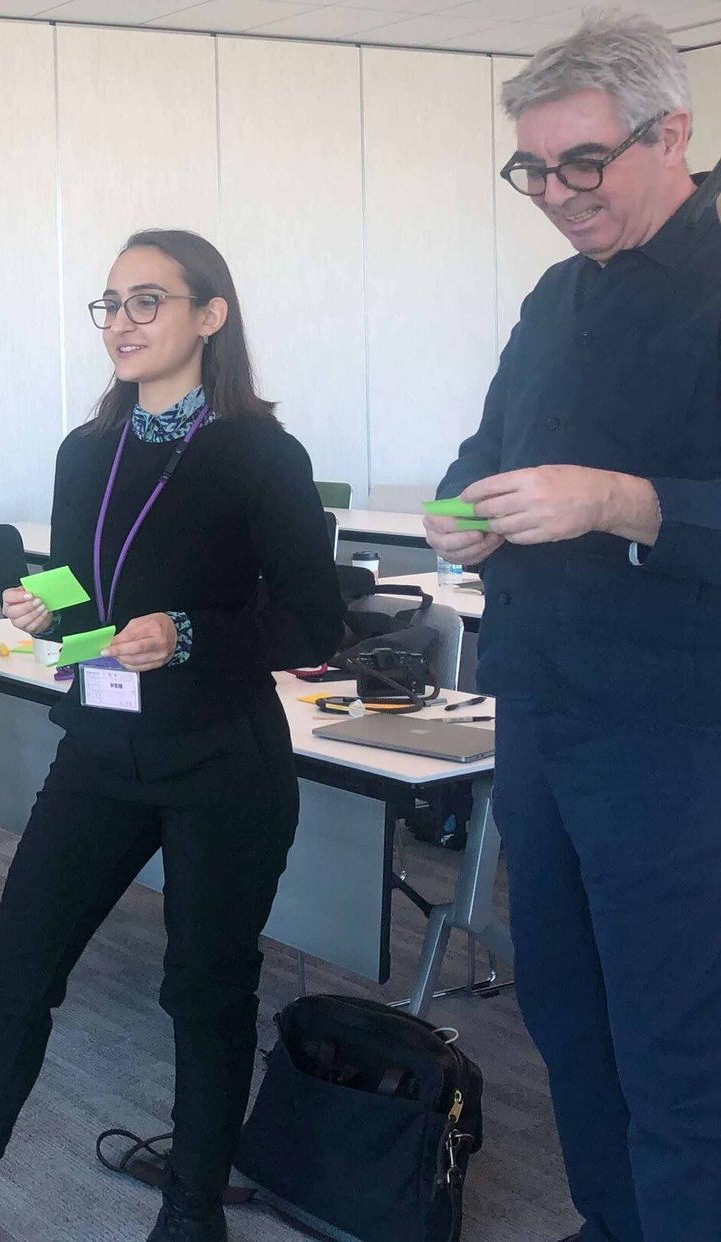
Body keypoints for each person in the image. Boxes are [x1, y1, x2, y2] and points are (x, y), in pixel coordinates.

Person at [0, 230, 342, 1242]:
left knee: (205, 992)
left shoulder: (260, 453)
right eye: (110, 303)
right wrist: (48, 611)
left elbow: (315, 623)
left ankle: (191, 1217)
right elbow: (87, 595)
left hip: (220, 757)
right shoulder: (87, 450)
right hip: (103, 750)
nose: (121, 322)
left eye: (147, 301)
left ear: (211, 315)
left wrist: (189, 634)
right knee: (17, 970)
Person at [427, 16, 721, 1241]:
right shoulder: (555, 295)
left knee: (678, 1035)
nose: (555, 195)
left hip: (674, 732)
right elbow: (486, 450)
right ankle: (614, 1222)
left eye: (582, 164)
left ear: (673, 133)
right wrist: (459, 512)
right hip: (540, 707)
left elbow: (627, 496)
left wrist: (619, 502)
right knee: (567, 1009)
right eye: (533, 170)